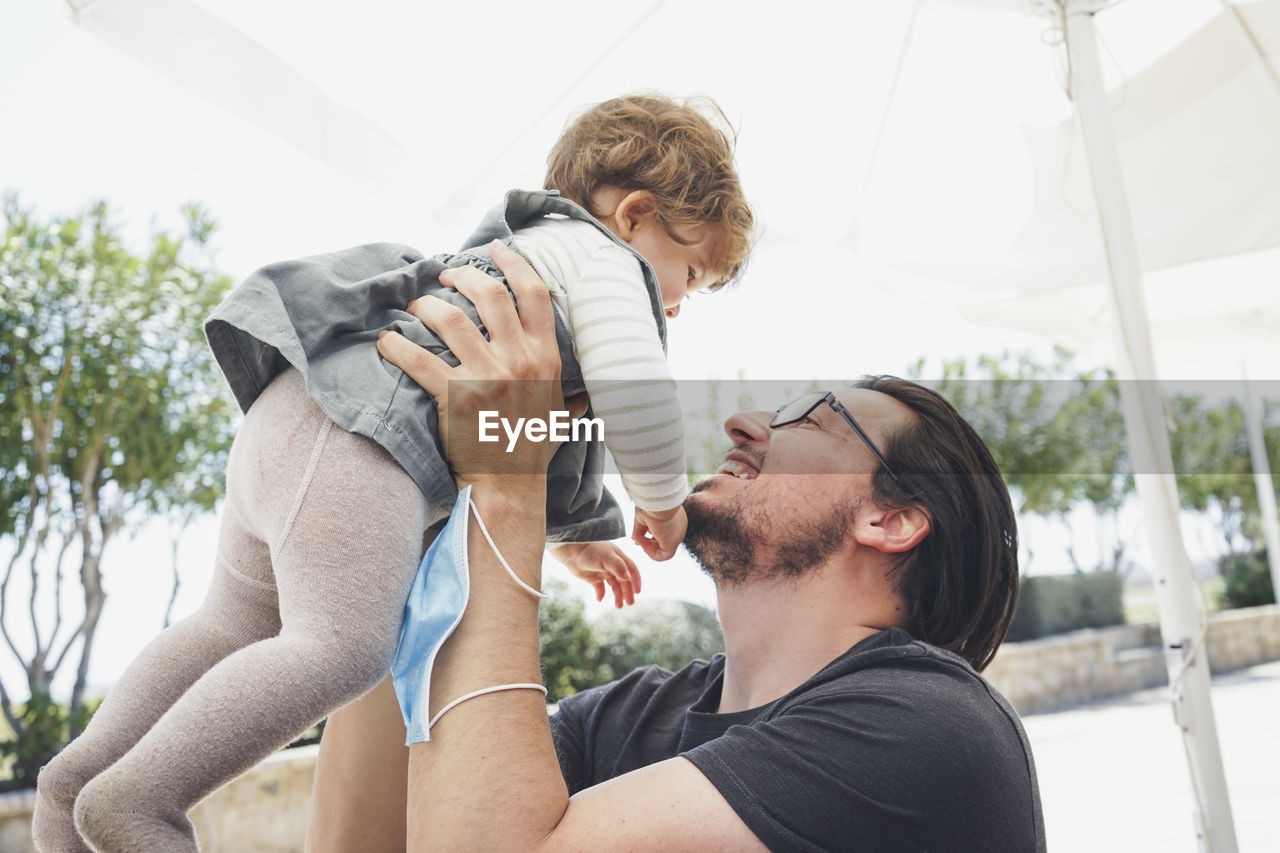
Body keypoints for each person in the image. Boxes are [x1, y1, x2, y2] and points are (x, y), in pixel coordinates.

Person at [31, 94, 753, 853]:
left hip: (294, 414)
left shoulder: (530, 250)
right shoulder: (607, 262)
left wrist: (573, 538)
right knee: (343, 646)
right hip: (366, 442)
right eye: (690, 273)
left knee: (232, 624)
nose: (677, 304)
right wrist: (664, 504)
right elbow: (633, 392)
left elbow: (516, 423)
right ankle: (143, 799)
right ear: (636, 214)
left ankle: (74, 785)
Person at [305, 245, 1046, 851]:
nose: (745, 424)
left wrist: (503, 478)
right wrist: (427, 500)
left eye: (812, 422)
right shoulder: (627, 720)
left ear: (891, 521)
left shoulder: (928, 729)